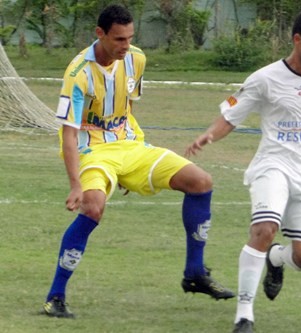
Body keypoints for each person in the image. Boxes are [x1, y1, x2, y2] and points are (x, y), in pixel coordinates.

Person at [41, 4, 234, 319]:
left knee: (201, 182)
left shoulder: (136, 59)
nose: (125, 45)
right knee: (92, 207)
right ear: (99, 34)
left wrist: (132, 165)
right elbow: (68, 134)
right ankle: (55, 298)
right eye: (118, 39)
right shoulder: (78, 74)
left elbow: (126, 108)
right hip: (93, 150)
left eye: (129, 38)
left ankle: (195, 273)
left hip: (131, 145)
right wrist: (75, 184)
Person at [185, 7, 301, 333]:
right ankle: (244, 316)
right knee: (264, 230)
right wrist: (209, 134)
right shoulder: (265, 78)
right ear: (298, 39)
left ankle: (276, 259)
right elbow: (230, 116)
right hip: (274, 166)